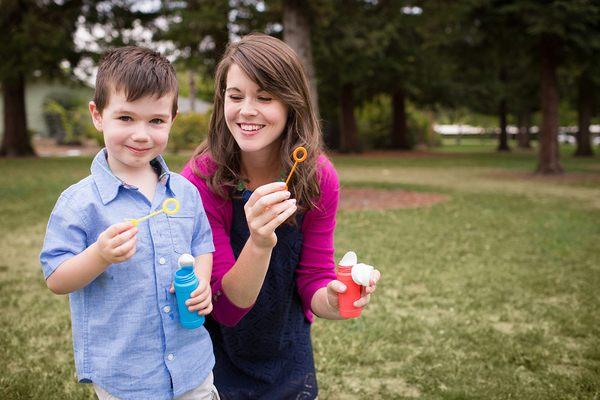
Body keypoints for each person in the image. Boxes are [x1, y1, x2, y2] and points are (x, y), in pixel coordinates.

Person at [182, 33, 381, 399]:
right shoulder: (200, 179)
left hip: (286, 354)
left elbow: (313, 281)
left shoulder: (317, 176)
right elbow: (225, 309)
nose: (246, 110)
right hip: (211, 359)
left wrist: (334, 300)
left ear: (291, 104)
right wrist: (259, 242)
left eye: (265, 97)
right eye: (235, 96)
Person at [40, 46, 218, 400]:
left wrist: (202, 280)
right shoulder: (79, 203)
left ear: (172, 120)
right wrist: (100, 255)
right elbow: (56, 279)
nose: (141, 134)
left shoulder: (185, 192)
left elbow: (202, 245)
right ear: (97, 115)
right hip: (126, 374)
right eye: (125, 118)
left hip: (191, 365)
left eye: (156, 121)